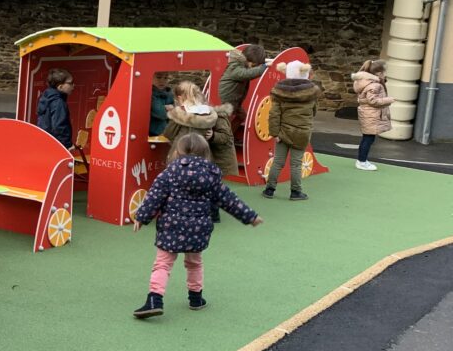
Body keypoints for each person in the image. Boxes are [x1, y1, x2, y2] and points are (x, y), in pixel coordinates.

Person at [132, 132, 262, 318]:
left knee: (162, 264)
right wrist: (250, 216)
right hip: (198, 229)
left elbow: (155, 196)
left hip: (171, 227)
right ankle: (195, 298)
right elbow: (228, 199)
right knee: (194, 264)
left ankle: (154, 299)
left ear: (177, 151)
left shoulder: (170, 172)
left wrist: (141, 217)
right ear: (206, 153)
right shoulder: (211, 175)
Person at [263, 60, 320, 201]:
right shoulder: (312, 93)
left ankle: (269, 189)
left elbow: (274, 114)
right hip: (302, 132)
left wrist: (274, 133)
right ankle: (295, 192)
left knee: (278, 162)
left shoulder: (279, 92)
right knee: (296, 163)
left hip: (283, 132)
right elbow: (314, 111)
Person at [351, 58, 394, 171]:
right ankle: (362, 161)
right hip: (371, 114)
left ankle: (362, 160)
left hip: (368, 114)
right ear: (379, 73)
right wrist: (388, 100)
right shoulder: (374, 86)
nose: (385, 75)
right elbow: (373, 101)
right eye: (383, 72)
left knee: (368, 138)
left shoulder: (368, 83)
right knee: (368, 139)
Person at [217, 44, 268, 122]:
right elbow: (247, 74)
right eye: (254, 65)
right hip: (228, 99)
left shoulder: (241, 65)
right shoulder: (235, 67)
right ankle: (225, 132)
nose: (252, 67)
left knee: (242, 117)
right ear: (248, 59)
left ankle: (231, 132)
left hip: (236, 100)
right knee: (225, 121)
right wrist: (263, 68)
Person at [162, 81, 217, 145]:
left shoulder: (179, 113)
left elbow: (168, 134)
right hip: (202, 151)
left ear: (180, 98)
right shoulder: (208, 112)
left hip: (183, 150)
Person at [36, 69, 74, 148]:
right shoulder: (58, 102)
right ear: (60, 86)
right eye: (70, 83)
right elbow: (59, 127)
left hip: (45, 141)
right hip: (56, 145)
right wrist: (67, 145)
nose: (73, 85)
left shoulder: (46, 97)